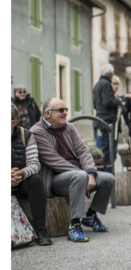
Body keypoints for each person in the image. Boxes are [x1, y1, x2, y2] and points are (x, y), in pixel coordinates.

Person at [31, 98, 115, 243]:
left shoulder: (69, 127)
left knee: (108, 179)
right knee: (79, 176)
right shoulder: (37, 132)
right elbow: (53, 161)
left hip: (78, 173)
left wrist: (90, 174)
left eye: (66, 110)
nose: (65, 113)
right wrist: (83, 176)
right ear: (47, 114)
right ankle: (74, 225)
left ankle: (90, 215)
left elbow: (83, 151)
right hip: (53, 179)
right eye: (61, 110)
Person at [11, 104, 51, 246]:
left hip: (21, 183)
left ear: (14, 122)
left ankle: (41, 230)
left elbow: (35, 164)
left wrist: (21, 173)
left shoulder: (26, 135)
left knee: (35, 180)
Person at [93, 64, 123, 169]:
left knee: (101, 148)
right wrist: (118, 101)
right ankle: (106, 174)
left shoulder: (97, 84)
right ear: (111, 74)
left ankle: (102, 172)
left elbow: (95, 104)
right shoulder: (106, 84)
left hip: (99, 119)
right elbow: (108, 101)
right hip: (106, 122)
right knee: (107, 150)